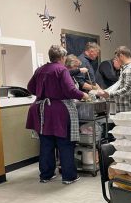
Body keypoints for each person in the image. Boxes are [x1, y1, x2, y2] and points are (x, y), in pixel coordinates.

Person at [26, 45, 89, 184]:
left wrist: (44, 92)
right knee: (65, 143)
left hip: (42, 111)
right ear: (62, 57)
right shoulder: (62, 70)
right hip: (59, 110)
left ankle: (46, 175)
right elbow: (70, 90)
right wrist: (83, 95)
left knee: (46, 143)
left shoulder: (40, 69)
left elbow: (30, 88)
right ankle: (69, 176)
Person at [97, 46, 131, 112]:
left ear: (121, 56)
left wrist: (109, 94)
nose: (116, 60)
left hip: (130, 111)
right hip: (127, 110)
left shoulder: (130, 69)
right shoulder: (126, 69)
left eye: (116, 58)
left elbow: (127, 90)